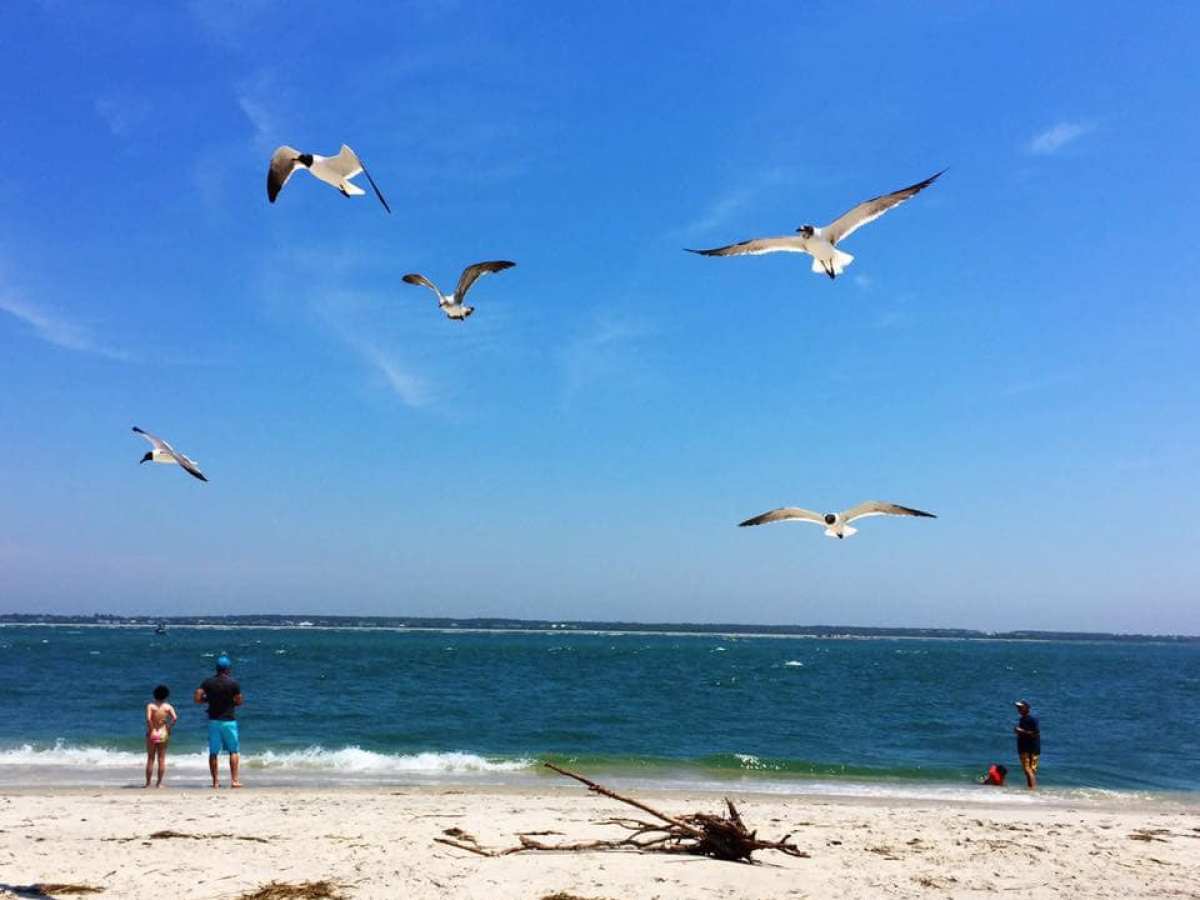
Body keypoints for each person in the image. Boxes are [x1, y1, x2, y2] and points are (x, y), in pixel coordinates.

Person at [195, 655, 244, 788]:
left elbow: (197, 698)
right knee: (233, 751)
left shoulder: (207, 682)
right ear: (228, 669)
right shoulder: (233, 683)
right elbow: (239, 701)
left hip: (214, 721)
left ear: (216, 668)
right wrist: (230, 701)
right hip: (229, 720)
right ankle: (234, 780)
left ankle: (215, 782)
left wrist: (207, 700)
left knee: (213, 752)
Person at [144, 684, 178, 788]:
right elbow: (175, 718)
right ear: (166, 696)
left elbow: (148, 719)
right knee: (161, 759)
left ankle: (148, 783)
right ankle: (159, 783)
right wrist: (168, 727)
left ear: (154, 695)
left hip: (153, 732)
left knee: (150, 758)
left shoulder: (151, 706)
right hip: (163, 732)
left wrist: (151, 729)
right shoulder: (168, 707)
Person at [1013, 699, 1040, 790]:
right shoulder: (1024, 719)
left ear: (1027, 708)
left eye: (1020, 707)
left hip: (1028, 748)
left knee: (1027, 769)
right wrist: (1019, 732)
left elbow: (1035, 733)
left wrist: (1021, 731)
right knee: (1030, 770)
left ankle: (1032, 789)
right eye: (1018, 707)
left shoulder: (1031, 719)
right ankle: (1031, 789)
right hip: (1032, 748)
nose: (1018, 709)